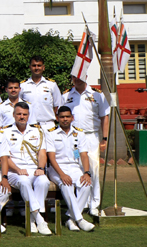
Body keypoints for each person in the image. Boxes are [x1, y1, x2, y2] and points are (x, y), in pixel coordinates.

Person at [2, 102, 52, 235]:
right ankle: (39, 219)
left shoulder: (37, 131)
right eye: (19, 114)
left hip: (33, 169)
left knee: (44, 181)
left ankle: (31, 219)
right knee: (24, 181)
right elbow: (5, 157)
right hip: (14, 172)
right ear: (13, 115)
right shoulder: (5, 132)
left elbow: (42, 153)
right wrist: (17, 169)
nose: (22, 117)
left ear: (29, 115)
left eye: (24, 114)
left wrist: (41, 167)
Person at [62, 75, 109, 215]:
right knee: (78, 168)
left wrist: (104, 138)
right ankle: (82, 202)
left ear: (86, 76)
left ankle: (94, 203)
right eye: (74, 77)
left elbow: (104, 116)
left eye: (80, 77)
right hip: (74, 138)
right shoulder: (66, 95)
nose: (77, 79)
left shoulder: (97, 95)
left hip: (91, 137)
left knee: (93, 169)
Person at [46, 106, 95, 232]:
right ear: (57, 118)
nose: (65, 119)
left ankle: (71, 219)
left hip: (74, 167)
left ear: (72, 118)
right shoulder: (51, 133)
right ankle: (80, 220)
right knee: (66, 184)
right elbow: (51, 157)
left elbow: (83, 155)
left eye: (67, 116)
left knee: (86, 184)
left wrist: (86, 173)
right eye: (62, 117)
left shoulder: (79, 133)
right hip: (57, 169)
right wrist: (62, 174)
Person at [19, 56, 62, 130]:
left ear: (43, 67)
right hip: (29, 125)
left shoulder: (51, 85)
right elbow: (18, 105)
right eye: (34, 65)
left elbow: (58, 105)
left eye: (39, 65)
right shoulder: (23, 86)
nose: (36, 68)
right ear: (30, 67)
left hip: (48, 125)